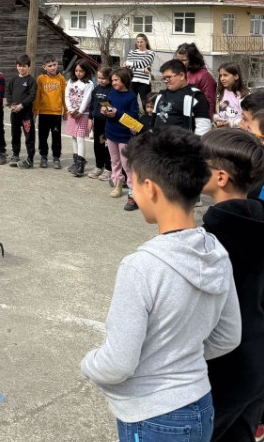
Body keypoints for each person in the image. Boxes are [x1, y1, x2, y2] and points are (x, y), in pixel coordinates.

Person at [81, 126, 241, 442]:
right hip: (200, 405)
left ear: (151, 188)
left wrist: (88, 364)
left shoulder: (141, 266)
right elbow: (228, 336)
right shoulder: (216, 251)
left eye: (133, 182)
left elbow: (118, 363)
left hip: (153, 417)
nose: (132, 190)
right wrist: (181, 357)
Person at [200, 128, 264, 442]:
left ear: (221, 177)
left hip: (225, 366)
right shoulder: (257, 220)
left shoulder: (213, 237)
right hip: (257, 360)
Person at [102, 67, 139, 210]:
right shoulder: (111, 93)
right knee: (114, 161)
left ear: (124, 80)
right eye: (112, 80)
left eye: (116, 80)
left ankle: (133, 192)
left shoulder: (131, 97)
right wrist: (105, 110)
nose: (113, 83)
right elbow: (109, 108)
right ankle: (117, 183)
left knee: (127, 165)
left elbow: (133, 118)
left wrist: (116, 114)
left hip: (124, 136)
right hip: (110, 133)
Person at [152, 59, 211, 136]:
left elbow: (203, 127)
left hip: (182, 145)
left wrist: (195, 145)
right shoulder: (161, 95)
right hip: (158, 144)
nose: (166, 81)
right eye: (164, 78)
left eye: (169, 77)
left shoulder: (195, 96)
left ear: (182, 75)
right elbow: (153, 121)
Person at [34, 55, 67, 169]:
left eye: (54, 65)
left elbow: (64, 96)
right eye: (50, 66)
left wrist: (66, 110)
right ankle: (43, 156)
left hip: (56, 114)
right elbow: (37, 96)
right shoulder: (41, 79)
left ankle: (56, 157)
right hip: (43, 113)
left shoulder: (61, 79)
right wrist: (35, 111)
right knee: (43, 136)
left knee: (56, 137)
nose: (53, 68)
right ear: (44, 67)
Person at [5, 54, 36, 169]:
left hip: (26, 114)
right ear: (16, 66)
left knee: (29, 135)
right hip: (15, 114)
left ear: (29, 67)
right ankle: (15, 155)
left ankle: (30, 158)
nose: (21, 68)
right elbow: (8, 93)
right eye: (19, 66)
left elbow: (32, 96)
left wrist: (22, 105)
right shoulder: (13, 79)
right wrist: (11, 104)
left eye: (24, 66)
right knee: (15, 134)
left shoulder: (31, 80)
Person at [64, 59, 94, 177]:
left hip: (83, 114)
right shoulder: (71, 81)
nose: (78, 73)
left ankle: (81, 163)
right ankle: (75, 160)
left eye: (81, 71)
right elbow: (67, 96)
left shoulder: (89, 84)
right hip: (72, 113)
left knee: (80, 137)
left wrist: (80, 111)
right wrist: (70, 109)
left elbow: (87, 99)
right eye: (76, 70)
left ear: (86, 71)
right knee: (73, 136)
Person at [175, 42, 217, 118]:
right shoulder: (178, 74)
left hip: (196, 118)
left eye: (184, 60)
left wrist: (206, 121)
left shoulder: (204, 76)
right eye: (178, 60)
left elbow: (209, 102)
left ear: (193, 59)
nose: (179, 63)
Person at [87, 66, 113, 181]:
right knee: (97, 145)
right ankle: (99, 166)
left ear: (109, 78)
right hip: (97, 123)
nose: (101, 80)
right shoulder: (96, 89)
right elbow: (92, 105)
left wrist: (107, 108)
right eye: (99, 78)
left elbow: (112, 108)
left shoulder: (112, 90)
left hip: (107, 123)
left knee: (106, 146)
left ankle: (108, 168)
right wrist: (89, 118)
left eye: (104, 78)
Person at [214, 62, 249, 129]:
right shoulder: (220, 92)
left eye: (225, 75)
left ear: (236, 76)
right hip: (223, 132)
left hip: (238, 134)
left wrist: (231, 123)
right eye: (220, 75)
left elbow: (248, 119)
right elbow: (220, 112)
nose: (222, 79)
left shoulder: (243, 95)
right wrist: (217, 120)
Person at [124, 33, 155, 108]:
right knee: (131, 102)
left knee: (146, 103)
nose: (139, 44)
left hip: (144, 82)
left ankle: (147, 118)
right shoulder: (132, 52)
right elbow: (127, 67)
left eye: (141, 42)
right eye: (138, 42)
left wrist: (129, 63)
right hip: (132, 81)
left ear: (146, 42)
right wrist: (142, 69)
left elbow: (143, 63)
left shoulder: (150, 53)